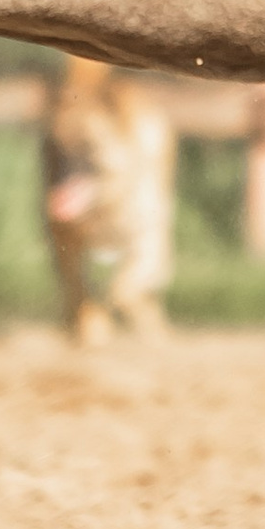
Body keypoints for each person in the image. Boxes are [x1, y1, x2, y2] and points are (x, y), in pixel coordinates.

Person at [40, 55, 176, 341]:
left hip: (122, 182)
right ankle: (87, 311)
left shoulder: (137, 132)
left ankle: (128, 307)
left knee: (131, 282)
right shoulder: (72, 130)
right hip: (102, 186)